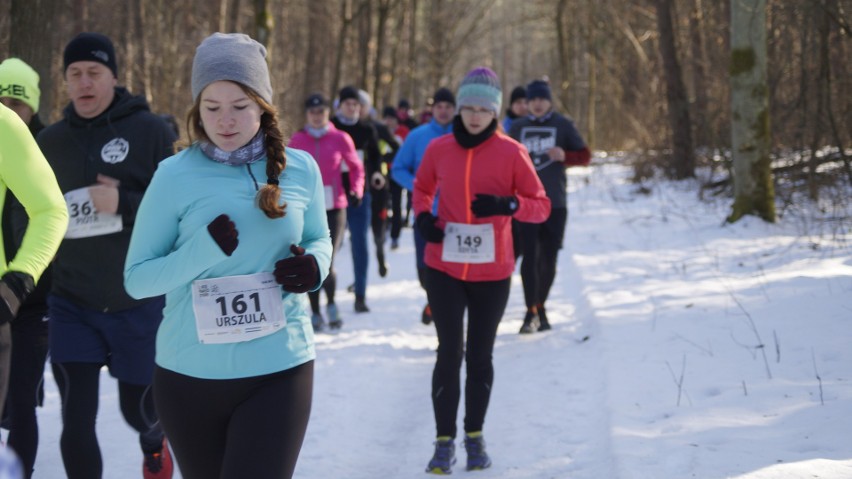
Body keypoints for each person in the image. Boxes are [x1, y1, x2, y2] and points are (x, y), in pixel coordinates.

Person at [124, 33, 332, 479]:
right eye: (211, 107)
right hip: (189, 377)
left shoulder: (301, 169)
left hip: (280, 367)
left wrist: (315, 267)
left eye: (239, 106)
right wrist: (202, 251)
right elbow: (137, 279)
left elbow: (320, 237)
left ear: (262, 104)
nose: (225, 120)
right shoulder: (173, 175)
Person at [35, 32, 177, 479]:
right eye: (74, 74)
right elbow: (31, 210)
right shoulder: (50, 141)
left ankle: (155, 442)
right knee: (75, 415)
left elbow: (176, 208)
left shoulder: (150, 131)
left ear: (115, 77)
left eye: (94, 73)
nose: (84, 83)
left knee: (139, 411)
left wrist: (126, 203)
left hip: (136, 298)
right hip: (72, 298)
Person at [412, 67, 550, 474]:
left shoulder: (512, 152)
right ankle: (443, 441)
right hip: (444, 267)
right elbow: (421, 190)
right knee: (449, 351)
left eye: (483, 109)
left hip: (493, 272)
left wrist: (509, 206)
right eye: (468, 107)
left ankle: (474, 435)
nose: (474, 116)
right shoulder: (438, 149)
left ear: (495, 112)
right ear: (458, 108)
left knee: (479, 356)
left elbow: (539, 204)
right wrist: (423, 218)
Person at [0, 100, 67, 478]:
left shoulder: (3, 125)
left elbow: (51, 209)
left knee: (22, 405)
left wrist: (20, 278)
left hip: (19, 304)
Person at [509, 79, 591, 333]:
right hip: (526, 204)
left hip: (555, 203)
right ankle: (530, 311)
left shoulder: (563, 124)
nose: (536, 104)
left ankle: (540, 305)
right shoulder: (518, 127)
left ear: (549, 101)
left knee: (549, 259)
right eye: (532, 100)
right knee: (529, 257)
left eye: (541, 99)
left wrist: (565, 156)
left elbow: (585, 156)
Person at [288, 93, 363, 331]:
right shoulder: (298, 140)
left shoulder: (341, 138)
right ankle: (316, 311)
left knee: (326, 260)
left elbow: (356, 168)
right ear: (307, 114)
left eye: (321, 112)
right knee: (308, 258)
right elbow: (284, 170)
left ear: (328, 113)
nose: (317, 117)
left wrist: (356, 190)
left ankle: (330, 304)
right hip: (307, 208)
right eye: (313, 112)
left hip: (334, 207)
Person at [390, 87, 456, 325]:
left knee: (453, 271)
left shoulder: (463, 135)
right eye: (439, 106)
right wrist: (419, 185)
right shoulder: (418, 136)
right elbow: (397, 169)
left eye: (449, 107)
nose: (444, 111)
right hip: (425, 213)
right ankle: (433, 300)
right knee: (424, 269)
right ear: (433, 109)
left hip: (457, 216)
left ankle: (444, 311)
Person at [331, 86, 382, 312]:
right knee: (330, 245)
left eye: (356, 104)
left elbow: (375, 158)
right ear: (339, 106)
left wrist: (378, 173)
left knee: (360, 244)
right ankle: (322, 294)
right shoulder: (331, 128)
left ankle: (360, 294)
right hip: (331, 196)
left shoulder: (367, 130)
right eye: (347, 104)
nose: (352, 108)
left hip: (360, 196)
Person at [382, 106, 410, 250]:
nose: (388, 122)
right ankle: (384, 228)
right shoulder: (380, 131)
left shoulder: (403, 132)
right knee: (384, 204)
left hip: (398, 174)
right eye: (386, 118)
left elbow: (406, 152)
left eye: (391, 119)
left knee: (397, 205)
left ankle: (395, 236)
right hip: (382, 174)